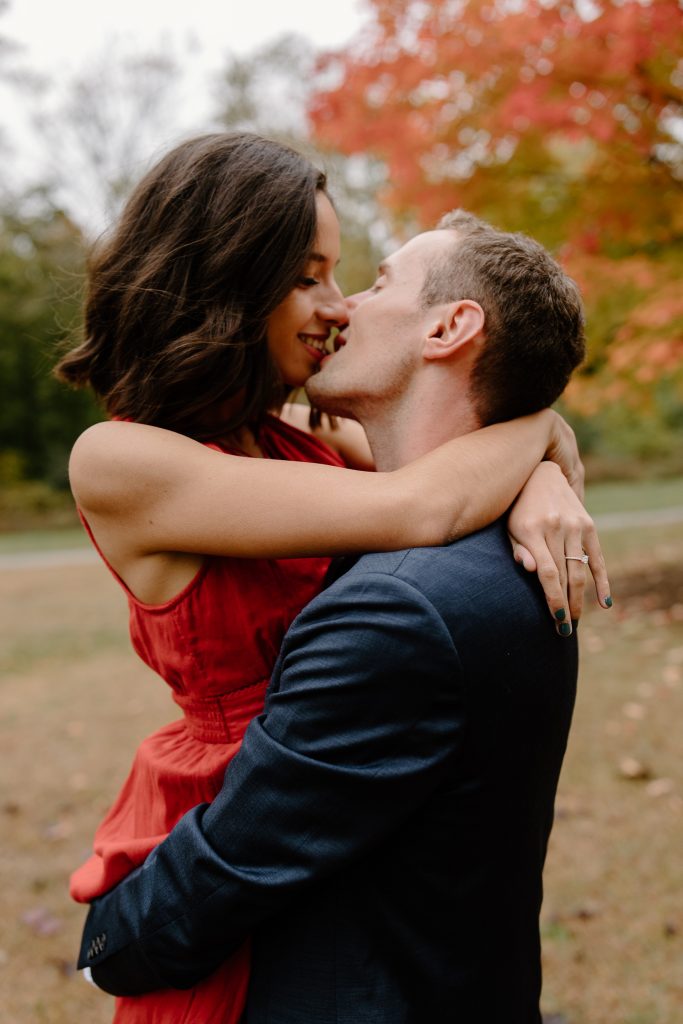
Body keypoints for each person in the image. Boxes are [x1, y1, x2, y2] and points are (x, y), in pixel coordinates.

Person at [58, 131, 608, 1023]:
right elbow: (423, 506)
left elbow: (438, 460)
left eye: (342, 274)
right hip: (226, 808)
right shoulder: (122, 462)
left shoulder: (300, 435)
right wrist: (541, 433)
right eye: (308, 275)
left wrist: (537, 458)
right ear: (229, 275)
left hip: (320, 782)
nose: (337, 306)